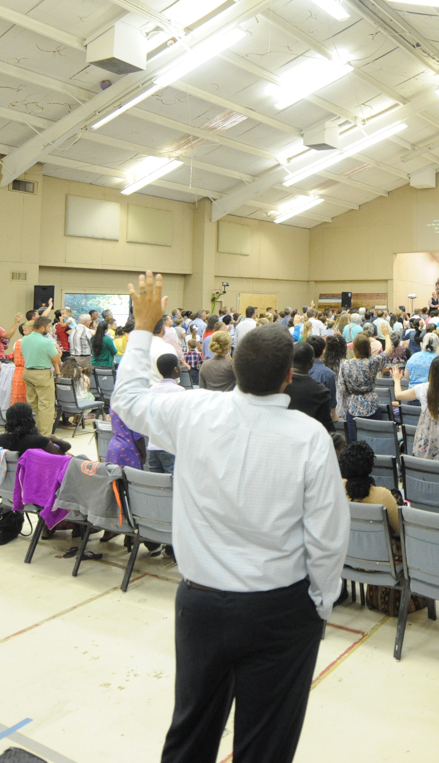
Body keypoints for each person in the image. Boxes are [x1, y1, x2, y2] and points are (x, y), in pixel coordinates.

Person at [109, 271, 347, 763]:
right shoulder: (309, 438)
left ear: (231, 366)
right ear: (289, 376)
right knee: (265, 744)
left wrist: (143, 327)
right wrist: (319, 605)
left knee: (190, 734)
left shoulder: (194, 412)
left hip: (202, 605)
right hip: (280, 609)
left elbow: (128, 401)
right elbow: (326, 538)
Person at [339, 440, 400, 546]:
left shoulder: (336, 491)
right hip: (382, 555)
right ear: (370, 465)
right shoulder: (383, 496)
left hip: (347, 554)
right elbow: (400, 530)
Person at [19, 315, 61, 434]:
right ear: (42, 328)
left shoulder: (25, 339)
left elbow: (22, 353)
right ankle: (44, 435)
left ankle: (32, 431)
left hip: (27, 372)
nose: (49, 329)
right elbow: (55, 358)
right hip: (41, 374)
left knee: (32, 404)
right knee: (46, 405)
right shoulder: (46, 342)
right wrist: (60, 354)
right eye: (48, 327)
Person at [0, 402, 70, 455]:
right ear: (29, 420)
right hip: (35, 476)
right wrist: (55, 439)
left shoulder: (0, 440)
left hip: (12, 475)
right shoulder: (39, 441)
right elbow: (60, 456)